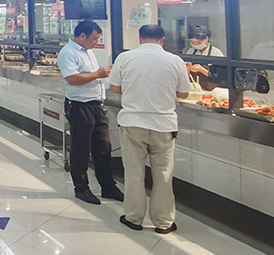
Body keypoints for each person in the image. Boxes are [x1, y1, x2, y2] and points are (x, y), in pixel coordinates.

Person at [108, 24, 191, 234]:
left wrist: (135, 90)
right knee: (163, 173)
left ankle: (133, 218)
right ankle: (163, 222)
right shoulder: (175, 61)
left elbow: (114, 88)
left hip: (133, 123)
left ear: (140, 38)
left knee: (134, 172)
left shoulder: (124, 58)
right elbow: (184, 94)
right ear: (162, 40)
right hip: (163, 125)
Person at [56, 19, 123, 205]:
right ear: (82, 35)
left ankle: (108, 186)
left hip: (96, 105)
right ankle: (81, 188)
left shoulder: (88, 51)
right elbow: (72, 79)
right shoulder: (68, 53)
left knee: (103, 147)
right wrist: (98, 74)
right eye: (94, 38)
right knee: (81, 149)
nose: (96, 42)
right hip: (80, 106)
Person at [182, 25, 223, 90]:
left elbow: (219, 77)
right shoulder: (191, 51)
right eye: (192, 42)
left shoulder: (216, 53)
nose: (195, 44)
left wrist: (201, 69)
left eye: (197, 42)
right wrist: (188, 68)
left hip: (211, 90)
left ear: (207, 38)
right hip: (194, 88)